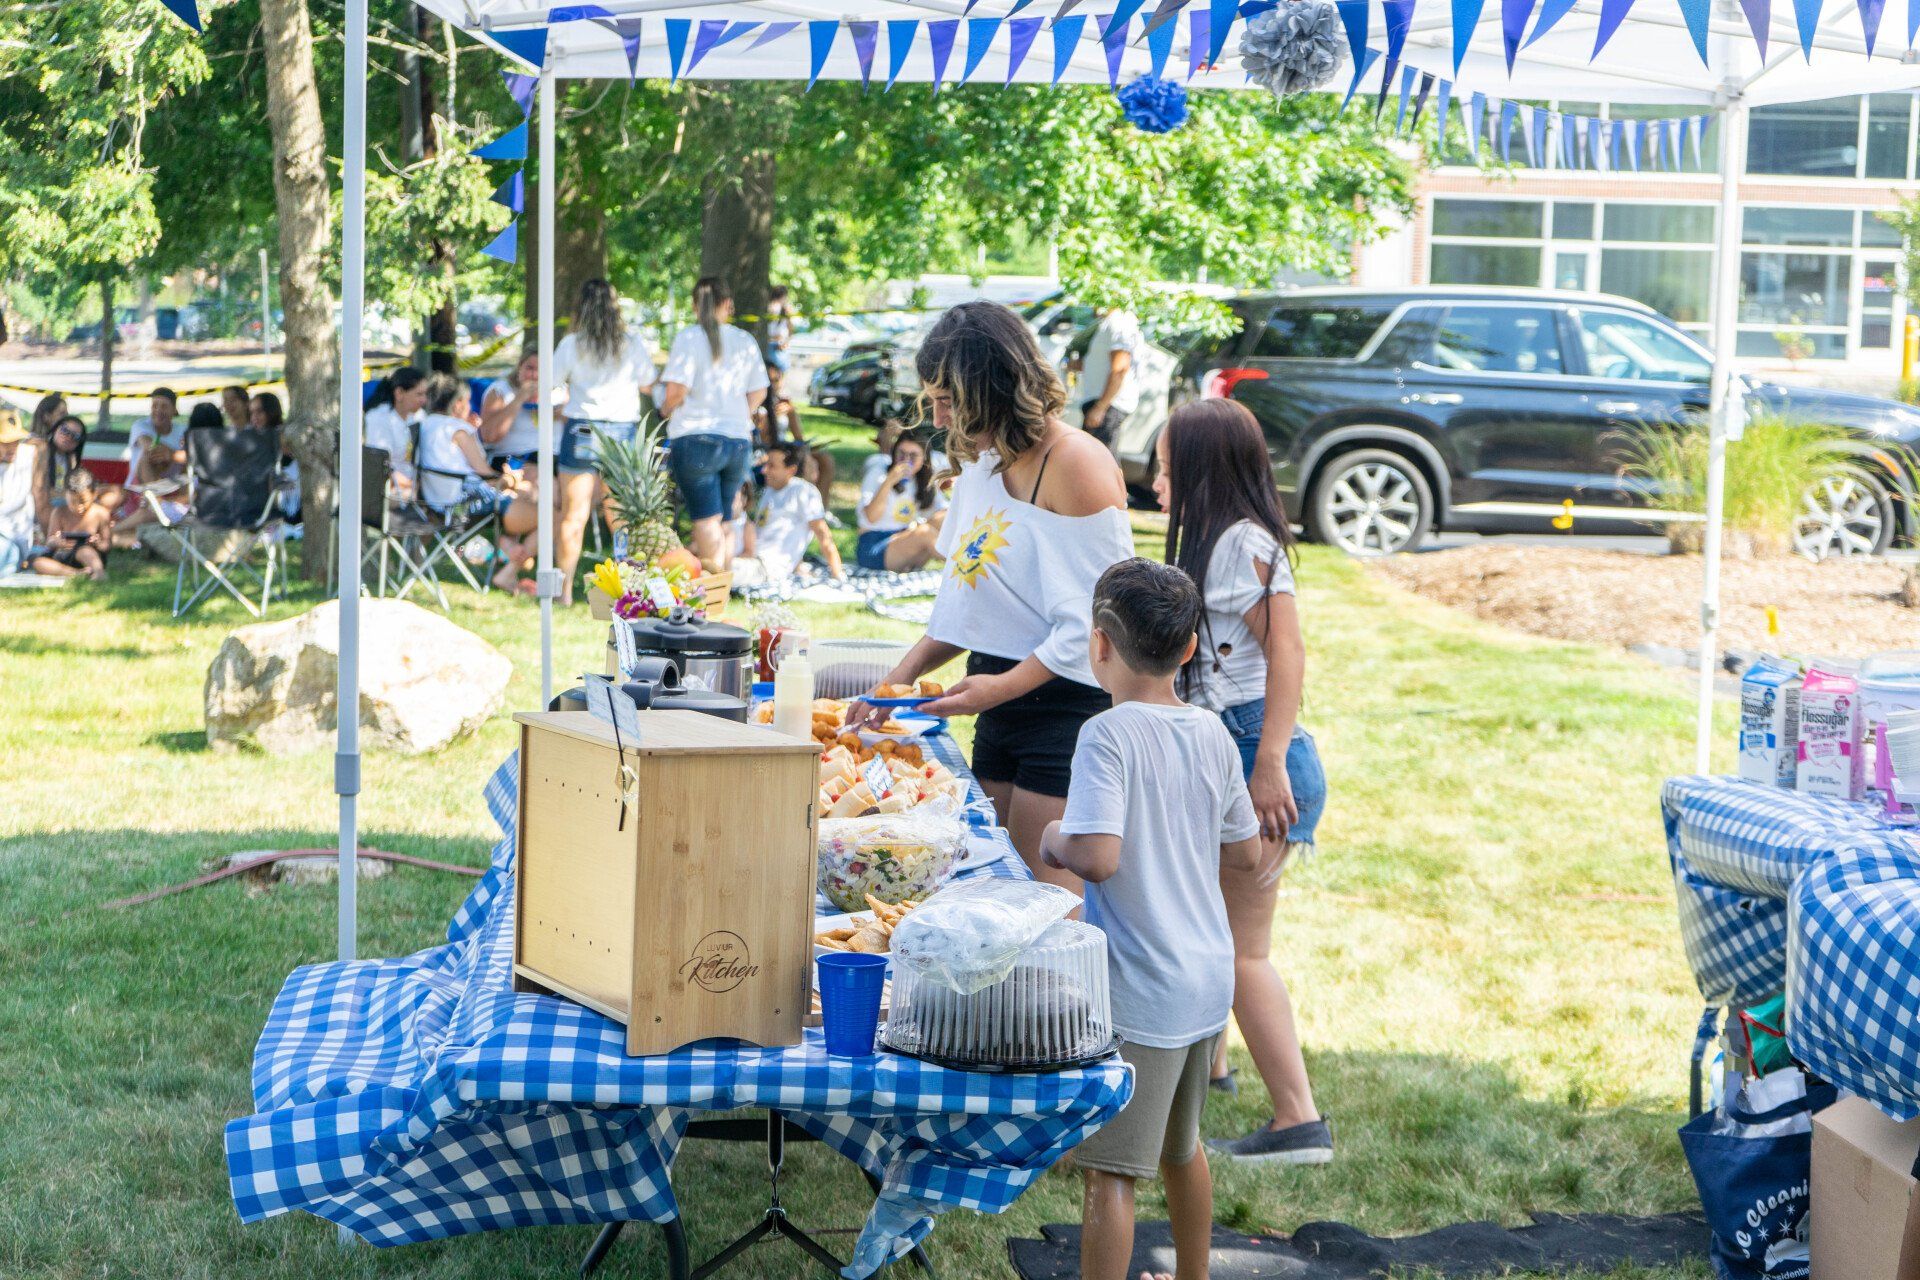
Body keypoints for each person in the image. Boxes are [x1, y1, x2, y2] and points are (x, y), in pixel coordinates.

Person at [851, 301, 1134, 882]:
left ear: (994, 386)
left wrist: (1000, 688)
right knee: (987, 888)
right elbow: (962, 606)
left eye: (947, 399)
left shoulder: (1076, 462)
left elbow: (1100, 623)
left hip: (1067, 712)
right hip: (997, 701)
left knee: (1042, 907)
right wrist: (891, 688)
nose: (937, 416)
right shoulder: (980, 465)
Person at [1039, 558, 1261, 1280]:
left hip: (1142, 989)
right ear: (1191, 648)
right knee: (1181, 1148)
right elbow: (1249, 848)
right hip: (1205, 979)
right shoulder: (1212, 734)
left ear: (1098, 645)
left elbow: (1097, 857)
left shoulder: (1107, 735)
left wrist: (1051, 840)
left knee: (1110, 1171)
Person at [1153, 398, 1334, 1164]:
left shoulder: (1241, 544)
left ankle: (1297, 1120)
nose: (1157, 482)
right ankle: (1215, 1068)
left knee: (1240, 952)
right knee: (1213, 928)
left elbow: (1286, 654)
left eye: (1166, 468)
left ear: (1200, 469)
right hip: (1237, 751)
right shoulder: (1225, 542)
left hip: (1259, 758)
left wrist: (1265, 769)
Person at [551, 279, 652, 603]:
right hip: (622, 430)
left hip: (582, 429)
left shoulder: (571, 344)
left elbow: (551, 384)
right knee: (620, 516)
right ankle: (625, 589)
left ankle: (563, 591)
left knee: (573, 515)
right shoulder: (631, 343)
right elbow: (649, 382)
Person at [661, 276, 768, 572]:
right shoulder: (744, 340)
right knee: (727, 516)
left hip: (696, 437)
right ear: (727, 304)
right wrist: (739, 413)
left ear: (696, 305)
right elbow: (760, 390)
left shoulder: (689, 338)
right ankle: (725, 582)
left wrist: (665, 409)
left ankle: (712, 587)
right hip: (736, 439)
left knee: (705, 518)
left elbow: (676, 391)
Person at [416, 372, 538, 592]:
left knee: (527, 494)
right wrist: (511, 479)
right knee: (551, 516)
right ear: (459, 404)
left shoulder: (427, 424)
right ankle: (510, 568)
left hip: (435, 503)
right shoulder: (458, 430)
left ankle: (510, 550)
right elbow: (487, 476)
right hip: (463, 506)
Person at [738, 442, 842, 584]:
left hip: (764, 567)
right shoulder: (769, 491)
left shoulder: (803, 492)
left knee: (720, 570)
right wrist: (798, 566)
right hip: (749, 557)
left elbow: (822, 534)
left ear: (791, 470)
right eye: (766, 463)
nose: (764, 470)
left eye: (772, 466)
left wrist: (837, 573)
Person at [856, 432, 947, 572]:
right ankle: (964, 567)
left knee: (944, 519)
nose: (906, 460)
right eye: (901, 453)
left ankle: (976, 559)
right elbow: (871, 517)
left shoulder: (922, 479)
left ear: (924, 458)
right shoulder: (878, 473)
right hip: (875, 546)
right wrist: (889, 481)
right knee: (924, 533)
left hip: (903, 538)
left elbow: (944, 512)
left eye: (913, 456)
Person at [1075, 306, 1144, 445]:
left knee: (1099, 462)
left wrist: (1100, 407)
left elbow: (1120, 369)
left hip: (1109, 405)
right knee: (1094, 460)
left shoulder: (1119, 322)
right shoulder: (1112, 322)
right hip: (1103, 403)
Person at [31, 467, 112, 581]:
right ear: (65, 495)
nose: (79, 506)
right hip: (63, 554)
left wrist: (98, 543)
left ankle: (98, 572)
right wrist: (57, 541)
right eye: (73, 501)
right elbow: (50, 540)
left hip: (89, 554)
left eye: (83, 501)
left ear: (94, 495)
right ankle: (76, 573)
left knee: (85, 551)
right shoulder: (59, 512)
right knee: (39, 563)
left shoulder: (100, 513)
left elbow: (107, 545)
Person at [479, 348, 544, 468]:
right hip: (512, 460)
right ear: (519, 367)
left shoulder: (561, 393)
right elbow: (489, 436)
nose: (535, 375)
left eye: (542, 369)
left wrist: (561, 414)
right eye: (530, 368)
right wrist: (518, 399)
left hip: (555, 460)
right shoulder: (500, 391)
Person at [364, 367, 428, 490]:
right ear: (399, 393)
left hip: (411, 488)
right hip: (387, 491)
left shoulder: (419, 416)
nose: (424, 400)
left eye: (425, 394)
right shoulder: (379, 418)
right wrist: (413, 486)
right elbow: (379, 465)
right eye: (419, 394)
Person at [0, 409, 39, 576]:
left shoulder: (27, 455)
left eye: (16, 441)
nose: (13, 447)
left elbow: (41, 444)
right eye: (6, 442)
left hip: (12, 540)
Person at [125, 387, 184, 470]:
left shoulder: (183, 430)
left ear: (174, 410)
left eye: (164, 407)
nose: (158, 410)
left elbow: (193, 456)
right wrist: (175, 455)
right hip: (140, 482)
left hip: (174, 481)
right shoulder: (140, 425)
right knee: (147, 457)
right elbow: (149, 446)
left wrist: (171, 455)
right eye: (155, 406)